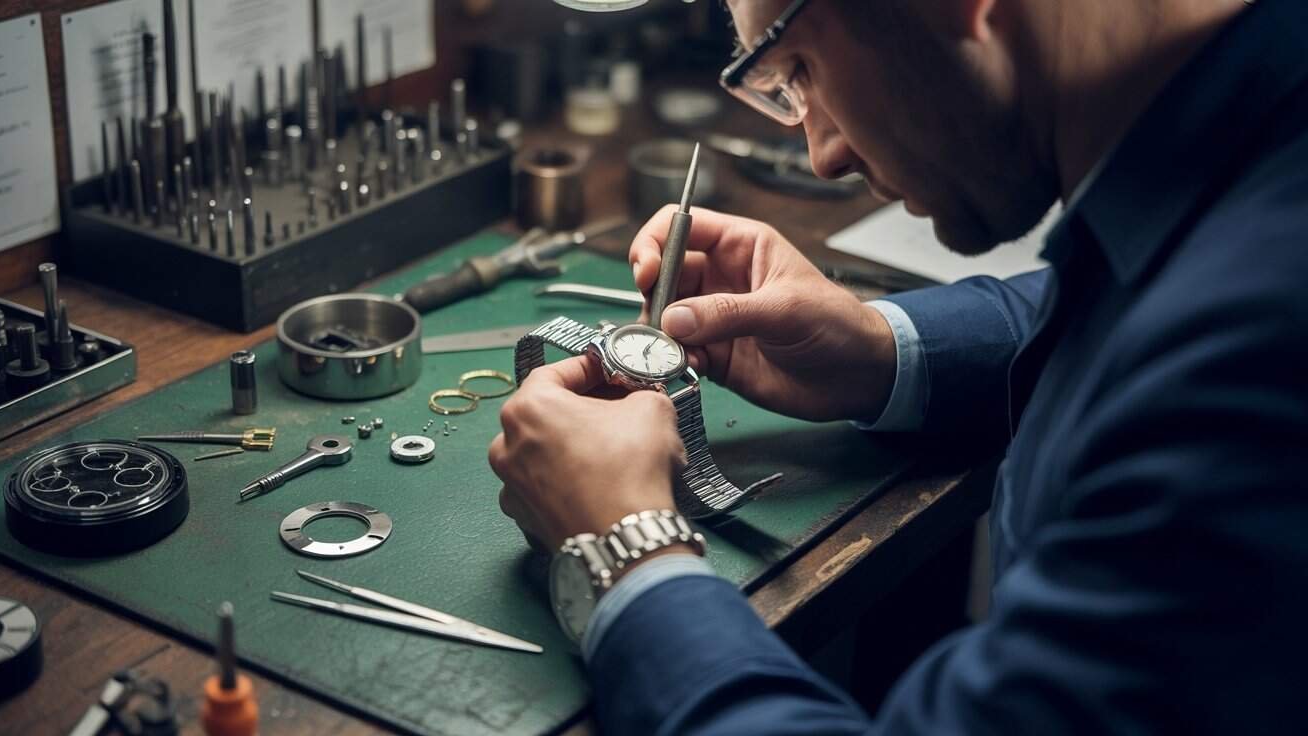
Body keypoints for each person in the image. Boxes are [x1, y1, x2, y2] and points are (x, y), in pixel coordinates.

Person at [490, 0, 1308, 731]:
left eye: (800, 67)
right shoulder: (1248, 139)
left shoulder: (1253, 365)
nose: (824, 157)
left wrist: (627, 555)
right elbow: (1128, 296)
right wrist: (881, 354)